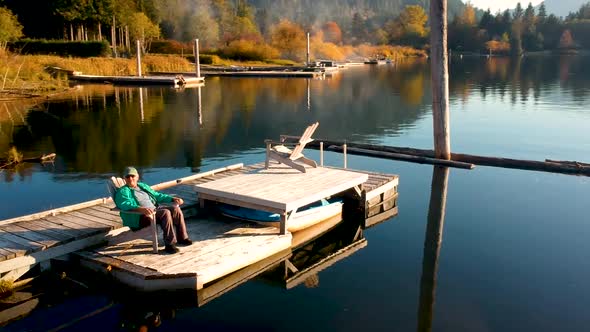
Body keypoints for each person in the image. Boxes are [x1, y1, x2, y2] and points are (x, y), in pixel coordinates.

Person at [115, 166, 192, 254]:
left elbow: (157, 195)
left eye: (132, 176)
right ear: (124, 178)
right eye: (127, 176)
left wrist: (172, 199)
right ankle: (170, 244)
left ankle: (182, 238)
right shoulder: (123, 191)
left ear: (137, 177)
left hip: (154, 210)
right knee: (165, 212)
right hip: (140, 217)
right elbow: (125, 204)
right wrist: (141, 209)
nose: (130, 178)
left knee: (175, 209)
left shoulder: (142, 186)